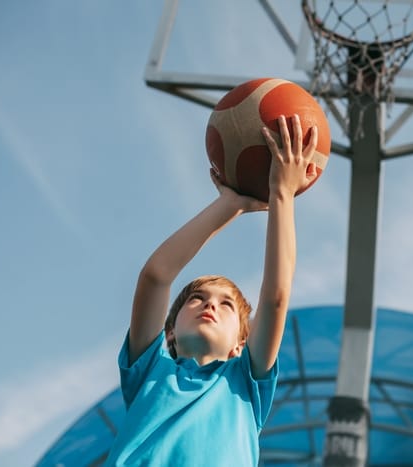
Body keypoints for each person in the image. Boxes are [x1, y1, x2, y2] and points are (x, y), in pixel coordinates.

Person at [105, 114, 319, 466]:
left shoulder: (246, 383)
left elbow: (276, 296)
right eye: (196, 298)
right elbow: (156, 276)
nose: (210, 305)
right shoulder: (150, 371)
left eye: (226, 305)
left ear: (240, 344)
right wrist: (228, 205)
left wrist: (282, 192)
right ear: (170, 332)